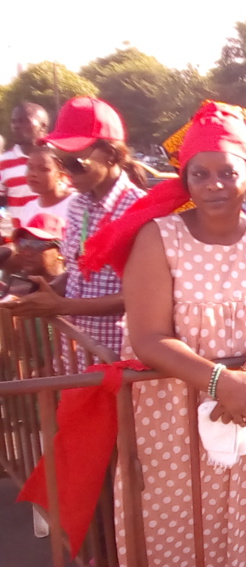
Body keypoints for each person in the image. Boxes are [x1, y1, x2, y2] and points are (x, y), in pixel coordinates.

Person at [79, 101, 246, 567]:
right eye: (199, 174)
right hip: (171, 414)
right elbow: (148, 336)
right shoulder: (158, 239)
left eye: (227, 172)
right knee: (177, 522)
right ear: (186, 180)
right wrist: (220, 381)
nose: (214, 184)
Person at [3, 97, 146, 367]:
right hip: (79, 354)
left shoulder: (138, 211)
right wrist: (38, 292)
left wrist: (61, 307)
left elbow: (138, 296)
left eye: (76, 163)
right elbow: (78, 270)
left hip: (121, 359)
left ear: (113, 156)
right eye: (62, 161)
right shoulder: (79, 203)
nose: (68, 172)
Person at [0, 102, 49, 225]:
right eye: (14, 121)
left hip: (62, 240)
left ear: (43, 126)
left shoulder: (61, 157)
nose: (16, 126)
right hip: (24, 241)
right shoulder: (3, 162)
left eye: (23, 121)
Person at [1, 213, 66, 289]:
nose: (27, 253)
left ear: (60, 250)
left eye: (37, 244)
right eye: (23, 242)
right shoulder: (16, 280)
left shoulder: (72, 289)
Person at [16, 146, 73, 226]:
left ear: (60, 172)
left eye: (43, 169)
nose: (33, 174)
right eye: (30, 168)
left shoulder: (76, 204)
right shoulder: (29, 208)